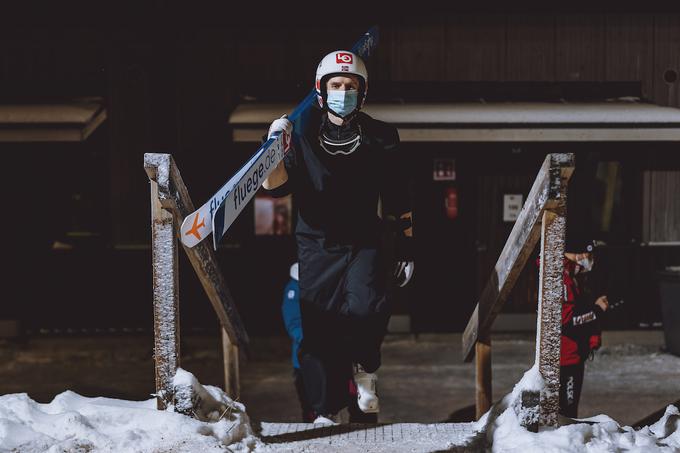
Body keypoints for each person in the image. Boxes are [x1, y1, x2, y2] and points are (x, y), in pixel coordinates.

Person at [263, 50, 414, 425]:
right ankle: (323, 409)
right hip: (315, 243)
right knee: (318, 331)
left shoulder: (382, 137)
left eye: (350, 86)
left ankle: (366, 369)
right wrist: (273, 148)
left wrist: (406, 247)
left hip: (365, 239)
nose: (342, 92)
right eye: (336, 85)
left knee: (366, 306)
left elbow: (399, 199)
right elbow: (274, 186)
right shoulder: (298, 133)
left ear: (362, 93)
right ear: (321, 89)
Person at [558, 237, 609, 418]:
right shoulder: (562, 278)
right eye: (588, 254)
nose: (590, 258)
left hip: (574, 353)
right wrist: (596, 310)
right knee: (567, 412)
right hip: (566, 357)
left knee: (570, 409)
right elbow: (566, 322)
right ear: (577, 254)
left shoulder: (574, 276)